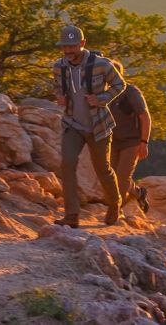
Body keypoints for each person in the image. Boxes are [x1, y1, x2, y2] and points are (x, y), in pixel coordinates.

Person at [51, 25, 126, 227]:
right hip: (72, 124)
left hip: (98, 125)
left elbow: (120, 85)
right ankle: (72, 215)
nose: (68, 51)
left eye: (72, 46)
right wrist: (60, 97)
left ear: (82, 44)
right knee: (67, 164)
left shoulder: (102, 65)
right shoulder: (59, 66)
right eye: (65, 46)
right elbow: (58, 86)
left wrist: (101, 98)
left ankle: (114, 203)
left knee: (103, 169)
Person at [108, 61, 152, 214]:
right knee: (111, 176)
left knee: (121, 178)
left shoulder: (131, 92)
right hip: (112, 142)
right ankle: (138, 193)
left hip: (131, 142)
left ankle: (116, 211)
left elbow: (145, 117)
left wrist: (144, 142)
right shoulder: (106, 94)